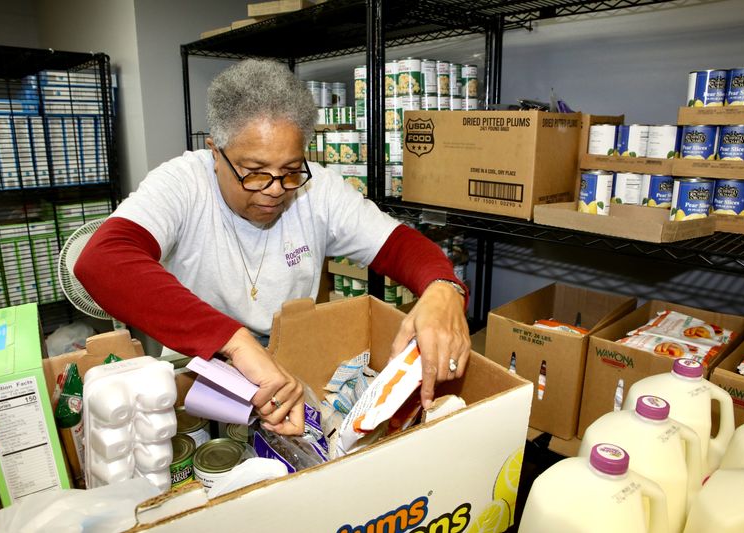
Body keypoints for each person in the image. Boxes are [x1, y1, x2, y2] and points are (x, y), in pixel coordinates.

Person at [74, 59, 470, 436]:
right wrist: (236, 342)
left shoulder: (320, 190)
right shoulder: (183, 183)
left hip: (289, 359)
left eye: (291, 171)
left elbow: (397, 244)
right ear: (215, 152)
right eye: (255, 173)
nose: (276, 189)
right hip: (198, 364)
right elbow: (101, 261)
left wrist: (442, 288)